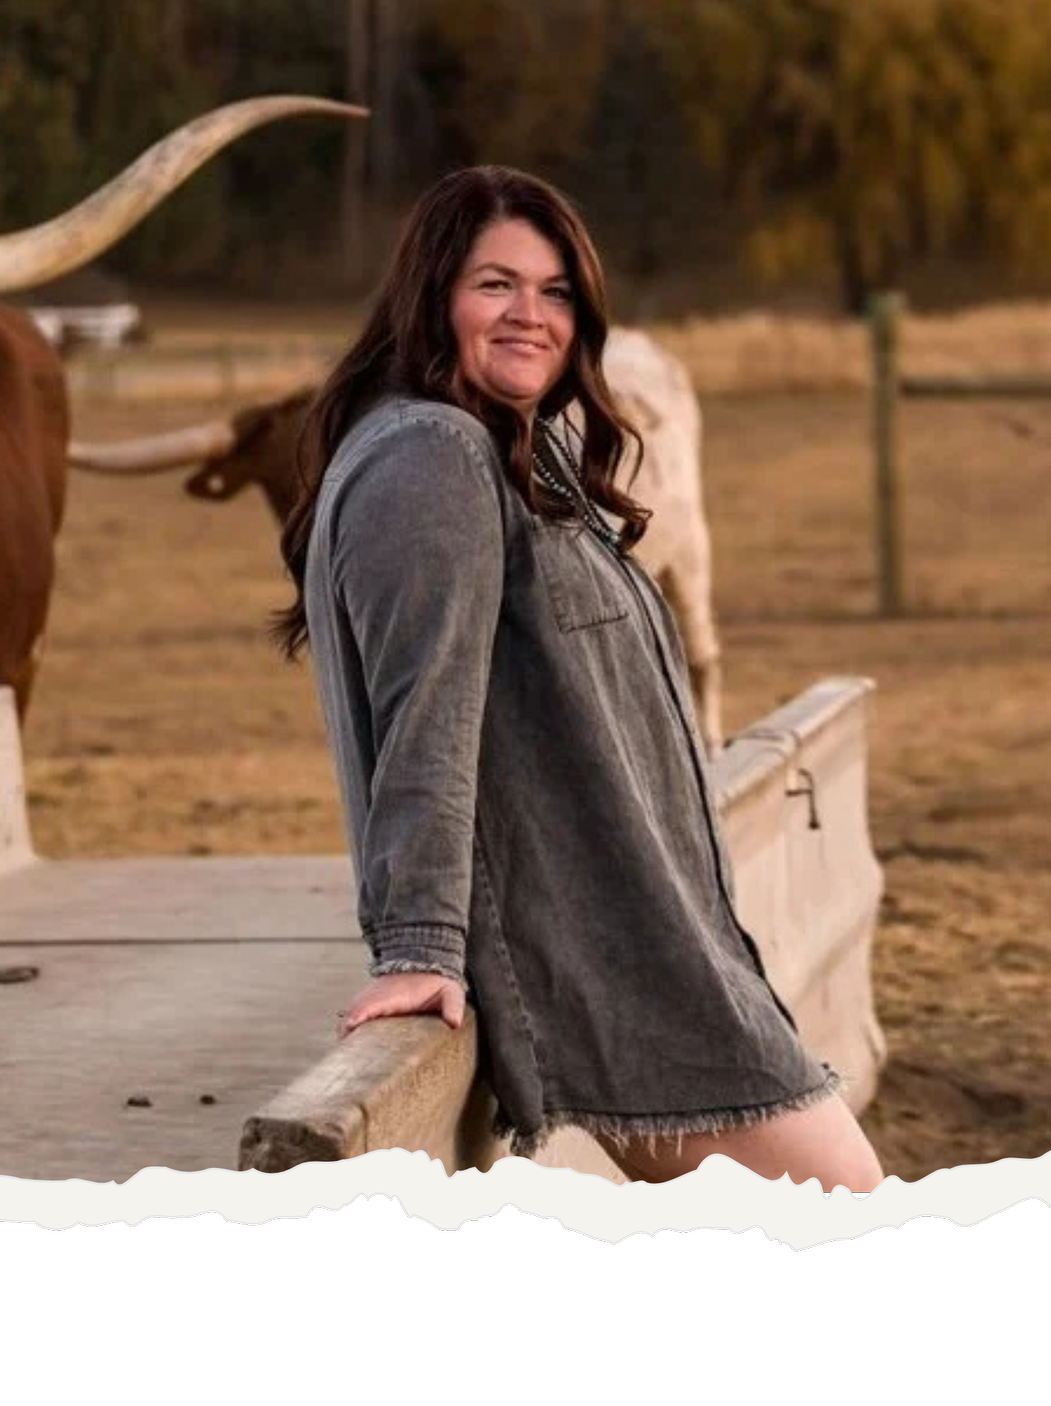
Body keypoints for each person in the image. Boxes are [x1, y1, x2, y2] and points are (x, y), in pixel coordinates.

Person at [273, 166, 884, 1193]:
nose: (531, 315)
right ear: (431, 293)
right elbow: (425, 711)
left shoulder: (511, 445)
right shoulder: (430, 451)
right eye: (495, 284)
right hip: (604, 968)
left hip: (657, 946)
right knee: (850, 1202)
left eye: (555, 292)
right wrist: (417, 942)